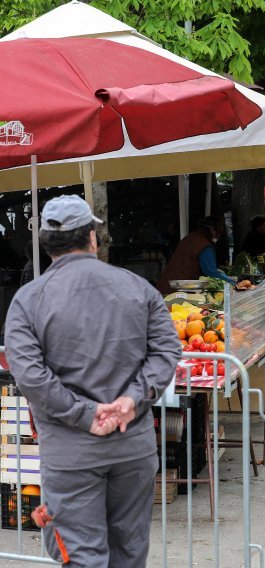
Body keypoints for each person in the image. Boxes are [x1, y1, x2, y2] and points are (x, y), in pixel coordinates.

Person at [4, 195, 181, 566]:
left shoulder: (28, 300)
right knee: (130, 551)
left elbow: (31, 377)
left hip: (71, 455)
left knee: (82, 556)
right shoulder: (139, 288)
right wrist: (131, 401)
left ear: (46, 244)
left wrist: (86, 415)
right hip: (132, 446)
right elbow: (167, 352)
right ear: (92, 237)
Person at [156, 216, 234, 294]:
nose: (219, 235)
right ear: (212, 230)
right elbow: (211, 273)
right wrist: (233, 283)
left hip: (166, 288)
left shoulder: (192, 237)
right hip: (175, 292)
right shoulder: (204, 245)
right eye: (218, 231)